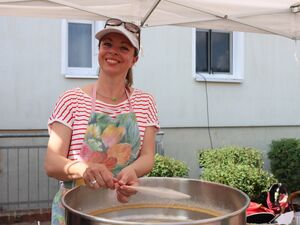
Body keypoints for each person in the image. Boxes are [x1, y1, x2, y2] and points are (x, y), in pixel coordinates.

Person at [44, 18, 160, 225]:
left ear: (134, 59)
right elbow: (52, 163)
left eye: (124, 48)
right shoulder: (71, 99)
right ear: (98, 51)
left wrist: (132, 171)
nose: (113, 51)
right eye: (107, 45)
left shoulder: (145, 102)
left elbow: (148, 156)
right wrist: (84, 169)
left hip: (124, 209)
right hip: (75, 210)